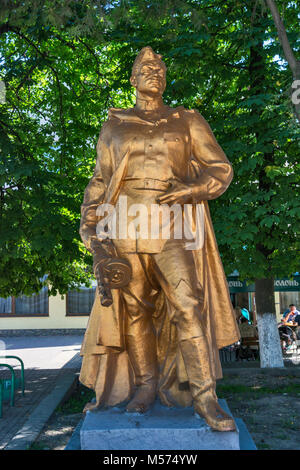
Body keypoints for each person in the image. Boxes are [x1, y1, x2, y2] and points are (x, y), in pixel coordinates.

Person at [79, 46, 240, 432]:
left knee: (188, 306)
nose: (154, 71)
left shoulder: (187, 120)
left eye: (160, 67)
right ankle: (145, 388)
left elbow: (220, 169)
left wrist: (190, 190)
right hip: (124, 225)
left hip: (173, 225)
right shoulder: (114, 124)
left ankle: (205, 399)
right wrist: (92, 229)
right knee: (135, 311)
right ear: (132, 79)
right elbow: (101, 181)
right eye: (145, 67)